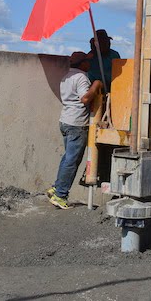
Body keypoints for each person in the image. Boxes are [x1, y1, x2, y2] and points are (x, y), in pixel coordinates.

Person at [48, 51, 103, 209]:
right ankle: (60, 195)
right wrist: (96, 84)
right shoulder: (81, 77)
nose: (90, 63)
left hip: (65, 121)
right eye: (87, 61)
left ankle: (57, 187)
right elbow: (85, 98)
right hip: (77, 124)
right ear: (82, 63)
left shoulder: (67, 76)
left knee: (67, 158)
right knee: (72, 161)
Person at [86, 29, 120, 93]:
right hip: (94, 88)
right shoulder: (90, 56)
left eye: (107, 42)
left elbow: (118, 72)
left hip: (113, 85)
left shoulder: (114, 55)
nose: (107, 44)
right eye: (103, 42)